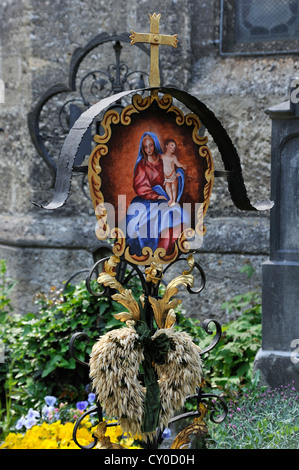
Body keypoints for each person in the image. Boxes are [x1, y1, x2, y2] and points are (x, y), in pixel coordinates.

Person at [125, 132, 189, 258]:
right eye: (145, 147)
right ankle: (150, 251)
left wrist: (178, 174)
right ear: (142, 149)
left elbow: (173, 171)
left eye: (151, 146)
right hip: (147, 200)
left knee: (178, 215)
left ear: (155, 145)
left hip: (166, 197)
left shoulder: (163, 159)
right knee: (144, 221)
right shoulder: (142, 165)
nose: (149, 149)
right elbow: (140, 186)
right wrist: (156, 196)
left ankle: (165, 249)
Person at [161, 139, 187, 207]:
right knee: (167, 188)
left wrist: (182, 166)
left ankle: (173, 200)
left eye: (174, 147)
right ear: (166, 146)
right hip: (166, 177)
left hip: (173, 176)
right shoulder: (162, 156)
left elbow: (178, 164)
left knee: (173, 188)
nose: (173, 148)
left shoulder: (173, 157)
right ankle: (171, 199)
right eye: (171, 145)